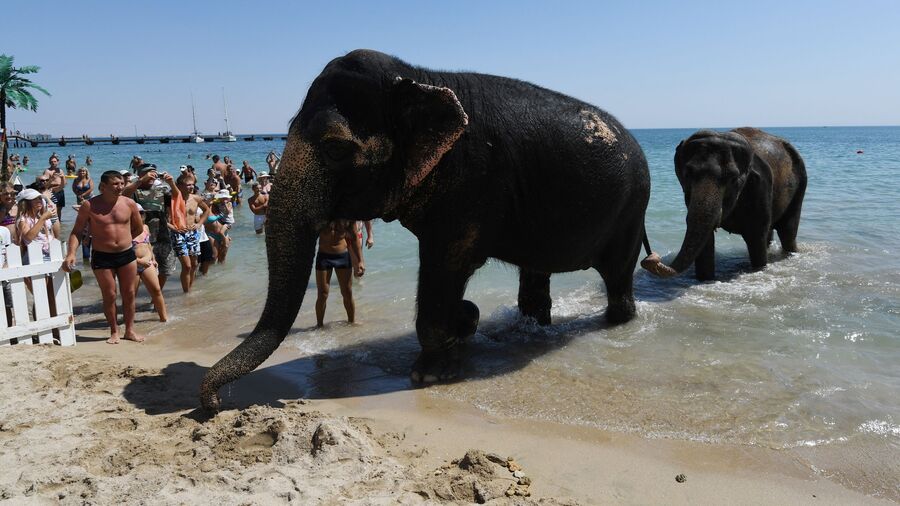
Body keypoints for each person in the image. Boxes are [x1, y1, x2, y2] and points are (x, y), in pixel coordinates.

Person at [64, 171, 144, 344]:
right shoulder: (89, 206)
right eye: (115, 184)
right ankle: (114, 331)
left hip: (126, 255)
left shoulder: (129, 203)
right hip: (102, 256)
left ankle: (130, 330)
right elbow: (77, 232)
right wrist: (71, 253)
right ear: (103, 186)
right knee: (109, 295)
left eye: (122, 183)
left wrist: (123, 241)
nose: (120, 187)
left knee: (129, 293)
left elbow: (138, 228)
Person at [123, 164, 177, 289]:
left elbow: (178, 197)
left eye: (154, 173)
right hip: (142, 239)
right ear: (141, 174)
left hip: (163, 236)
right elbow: (123, 195)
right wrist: (141, 180)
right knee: (137, 272)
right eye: (149, 173)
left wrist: (171, 183)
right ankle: (131, 302)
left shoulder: (161, 190)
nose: (152, 175)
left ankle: (155, 298)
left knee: (165, 269)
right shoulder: (135, 191)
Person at [314, 220, 365, 327]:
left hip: (342, 256)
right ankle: (319, 326)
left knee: (347, 292)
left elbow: (355, 237)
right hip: (324, 256)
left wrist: (360, 261)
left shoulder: (346, 214)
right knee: (322, 294)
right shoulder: (322, 213)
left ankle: (351, 322)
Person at [170, 173, 209, 292]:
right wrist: (174, 228)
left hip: (193, 233)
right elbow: (164, 219)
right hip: (178, 234)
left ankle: (188, 290)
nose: (191, 187)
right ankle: (186, 291)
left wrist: (199, 223)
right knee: (186, 266)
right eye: (188, 185)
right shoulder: (173, 199)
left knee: (194, 264)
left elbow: (207, 210)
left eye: (192, 185)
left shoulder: (196, 198)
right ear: (180, 186)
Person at [132, 204, 167, 322]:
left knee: (156, 290)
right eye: (136, 213)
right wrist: (139, 261)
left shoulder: (145, 227)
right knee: (131, 295)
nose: (139, 215)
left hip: (148, 262)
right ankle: (129, 323)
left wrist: (153, 258)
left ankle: (164, 319)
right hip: (133, 264)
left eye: (141, 213)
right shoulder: (125, 229)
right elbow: (122, 250)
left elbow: (148, 245)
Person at [42, 155, 66, 222]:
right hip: (52, 191)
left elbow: (65, 183)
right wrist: (52, 178)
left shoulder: (60, 170)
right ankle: (52, 222)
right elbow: (44, 185)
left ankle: (59, 222)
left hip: (61, 190)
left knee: (60, 209)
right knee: (52, 208)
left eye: (55, 161)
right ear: (49, 162)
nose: (53, 163)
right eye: (52, 161)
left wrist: (63, 178)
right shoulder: (47, 171)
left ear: (58, 162)